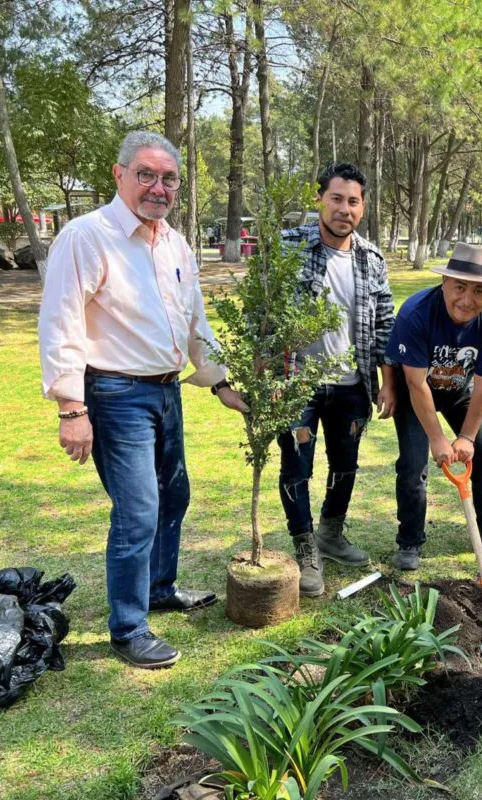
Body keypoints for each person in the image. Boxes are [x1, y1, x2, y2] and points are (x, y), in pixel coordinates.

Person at [38, 131, 248, 670]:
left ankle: (159, 587)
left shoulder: (174, 243)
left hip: (165, 391)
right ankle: (128, 627)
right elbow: (60, 324)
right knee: (137, 511)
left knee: (174, 497)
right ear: (120, 175)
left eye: (169, 178)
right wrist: (71, 408)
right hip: (113, 394)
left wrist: (219, 379)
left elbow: (193, 318)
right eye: (146, 175)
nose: (158, 187)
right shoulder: (87, 237)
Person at [277, 162, 396, 598]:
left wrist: (388, 381)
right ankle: (305, 546)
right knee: (298, 466)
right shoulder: (288, 247)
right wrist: (267, 373)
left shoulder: (372, 259)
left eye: (353, 201)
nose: (344, 209)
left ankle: (331, 531)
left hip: (352, 386)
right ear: (320, 200)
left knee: (345, 464)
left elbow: (384, 323)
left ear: (362, 207)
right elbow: (264, 313)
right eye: (336, 198)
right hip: (297, 385)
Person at [387, 243, 482, 570]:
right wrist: (437, 439)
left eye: (479, 291)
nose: (467, 299)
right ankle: (410, 541)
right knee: (413, 464)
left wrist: (467, 437)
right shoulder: (416, 313)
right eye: (459, 287)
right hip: (417, 393)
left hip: (463, 391)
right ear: (445, 282)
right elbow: (416, 384)